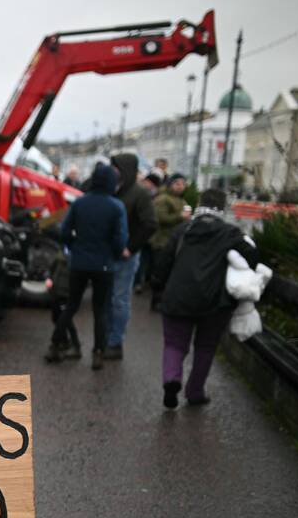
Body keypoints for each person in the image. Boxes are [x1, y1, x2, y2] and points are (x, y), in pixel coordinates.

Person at [153, 188, 258, 409]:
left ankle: (171, 379)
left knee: (174, 344)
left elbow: (163, 262)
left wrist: (159, 287)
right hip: (215, 302)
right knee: (206, 347)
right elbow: (252, 256)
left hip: (178, 297)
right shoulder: (230, 233)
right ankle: (195, 392)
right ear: (223, 208)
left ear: (200, 204)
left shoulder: (183, 230)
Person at [43, 162, 127, 370]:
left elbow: (64, 231)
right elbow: (120, 238)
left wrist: (75, 246)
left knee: (71, 305)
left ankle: (55, 344)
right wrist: (114, 255)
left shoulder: (80, 203)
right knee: (100, 310)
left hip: (79, 262)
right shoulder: (116, 206)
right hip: (104, 264)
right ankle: (98, 353)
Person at [105, 153, 157, 360]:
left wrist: (131, 248)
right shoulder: (112, 188)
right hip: (108, 254)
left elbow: (150, 224)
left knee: (119, 300)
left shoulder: (139, 194)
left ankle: (115, 342)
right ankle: (106, 338)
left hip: (126, 256)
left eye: (116, 167)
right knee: (107, 299)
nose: (113, 171)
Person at [149, 173, 191, 309]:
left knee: (170, 273)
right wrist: (180, 217)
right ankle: (156, 300)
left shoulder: (181, 201)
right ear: (170, 184)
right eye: (177, 183)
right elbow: (160, 218)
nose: (180, 186)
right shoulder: (163, 199)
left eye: (183, 184)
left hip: (174, 242)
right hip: (162, 241)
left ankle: (165, 300)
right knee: (160, 272)